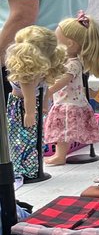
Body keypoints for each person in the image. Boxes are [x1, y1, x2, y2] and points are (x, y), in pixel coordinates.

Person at [44, 13, 99, 165]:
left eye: (57, 41)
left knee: (62, 132)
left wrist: (49, 91)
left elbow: (63, 81)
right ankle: (59, 155)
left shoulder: (73, 64)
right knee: (61, 132)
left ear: (70, 44)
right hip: (66, 101)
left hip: (68, 104)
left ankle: (60, 156)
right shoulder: (68, 61)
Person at [4, 25, 66, 179]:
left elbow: (32, 94)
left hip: (24, 107)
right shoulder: (36, 70)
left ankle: (27, 169)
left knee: (24, 139)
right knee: (29, 138)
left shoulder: (29, 71)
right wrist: (40, 108)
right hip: (27, 106)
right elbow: (40, 91)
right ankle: (29, 168)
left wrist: (32, 112)